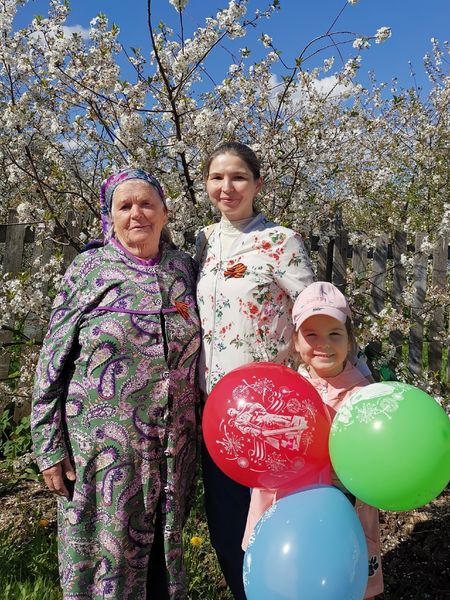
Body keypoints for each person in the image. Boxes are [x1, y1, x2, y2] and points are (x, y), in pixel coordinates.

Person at [31, 168, 201, 600]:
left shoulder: (183, 268)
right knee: (103, 562)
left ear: (165, 212)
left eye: (146, 204)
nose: (136, 214)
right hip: (103, 453)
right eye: (125, 206)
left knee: (163, 562)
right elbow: (52, 359)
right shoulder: (89, 268)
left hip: (172, 452)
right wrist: (48, 446)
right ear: (110, 217)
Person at [195, 142, 315, 599]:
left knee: (273, 528)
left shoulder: (281, 241)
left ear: (257, 184)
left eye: (238, 177)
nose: (227, 187)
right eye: (217, 177)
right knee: (227, 530)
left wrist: (348, 380)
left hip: (270, 415)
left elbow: (313, 314)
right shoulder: (203, 241)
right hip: (216, 414)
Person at [242, 281, 384, 599]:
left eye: (334, 334)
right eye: (311, 335)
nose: (324, 345)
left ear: (349, 340)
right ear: (295, 341)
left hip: (342, 519)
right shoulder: (280, 391)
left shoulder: (366, 398)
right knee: (284, 579)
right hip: (283, 516)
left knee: (346, 581)